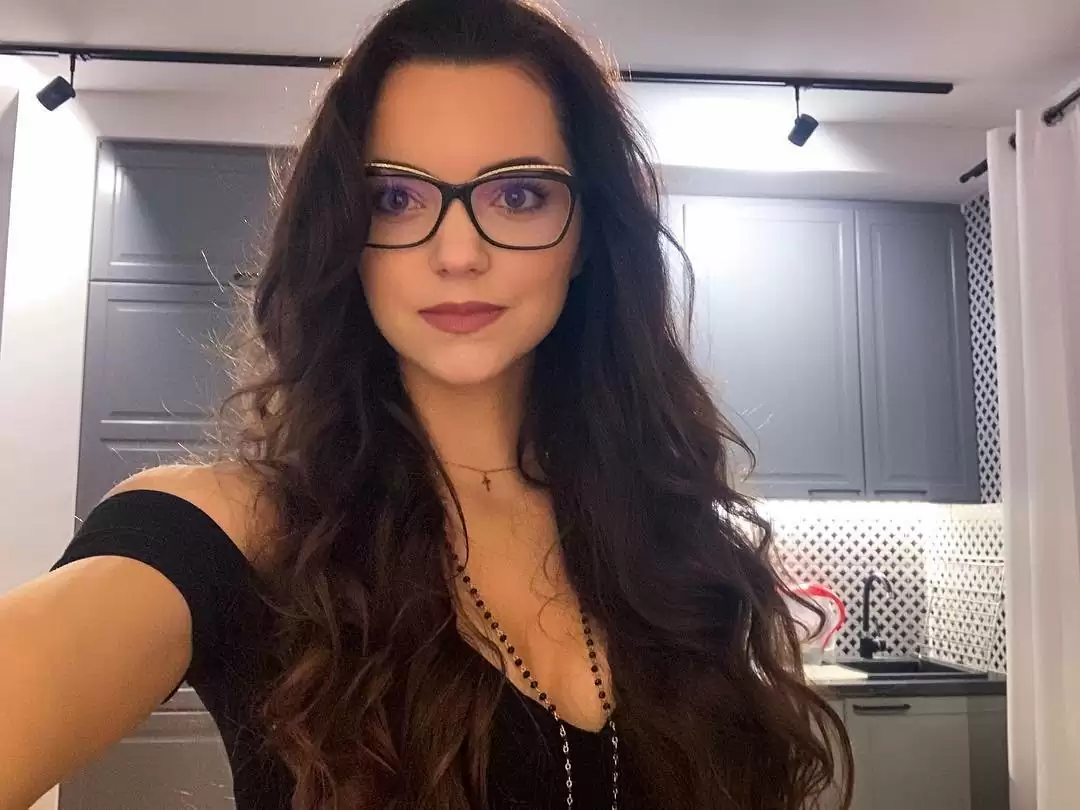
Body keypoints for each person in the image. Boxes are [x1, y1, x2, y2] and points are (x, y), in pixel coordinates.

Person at [0, 0, 853, 807]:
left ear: (588, 234)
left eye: (518, 194)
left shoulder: (673, 539)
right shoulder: (246, 529)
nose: (458, 252)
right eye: (396, 198)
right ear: (346, 234)